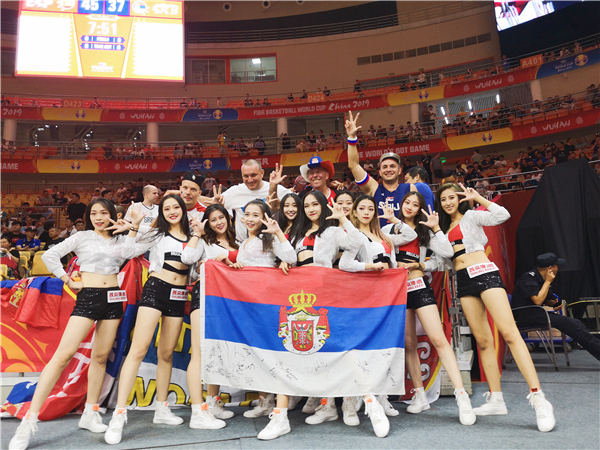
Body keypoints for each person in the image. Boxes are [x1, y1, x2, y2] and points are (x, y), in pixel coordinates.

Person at [9, 199, 131, 450]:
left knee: (100, 358)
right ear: (89, 217)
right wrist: (67, 279)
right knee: (63, 356)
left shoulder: (122, 240)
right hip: (88, 297)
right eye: (94, 213)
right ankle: (29, 422)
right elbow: (51, 254)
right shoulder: (83, 237)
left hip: (114, 299)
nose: (99, 218)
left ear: (113, 215)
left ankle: (90, 412)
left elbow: (147, 242)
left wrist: (132, 228)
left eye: (104, 213)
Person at [434, 183, 555, 432]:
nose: (448, 202)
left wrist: (478, 198)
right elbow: (441, 262)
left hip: (485, 273)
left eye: (452, 197)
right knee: (483, 341)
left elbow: (502, 215)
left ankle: (539, 398)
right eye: (443, 199)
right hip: (463, 281)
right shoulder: (442, 230)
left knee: (509, 333)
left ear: (459, 198)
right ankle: (496, 399)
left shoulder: (471, 216)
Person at [105, 195, 204, 444]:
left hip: (179, 295)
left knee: (167, 353)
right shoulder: (158, 233)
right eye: (166, 208)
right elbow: (128, 252)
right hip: (156, 289)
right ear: (162, 213)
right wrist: (135, 227)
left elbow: (194, 264)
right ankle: (119, 415)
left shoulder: (196, 236)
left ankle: (162, 408)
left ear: (183, 210)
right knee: (138, 350)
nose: (172, 211)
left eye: (176, 207)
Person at [381, 192, 476, 425]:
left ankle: (462, 397)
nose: (410, 207)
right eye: (407, 202)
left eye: (415, 204)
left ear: (421, 208)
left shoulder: (425, 232)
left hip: (418, 286)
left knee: (439, 339)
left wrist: (422, 263)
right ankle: (420, 395)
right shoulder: (389, 229)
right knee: (409, 344)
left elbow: (446, 256)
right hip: (396, 290)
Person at [337, 195, 418, 437]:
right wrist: (371, 267)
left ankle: (380, 396)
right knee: (358, 347)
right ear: (354, 211)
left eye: (370, 208)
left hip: (387, 296)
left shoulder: (384, 235)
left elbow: (410, 236)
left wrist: (394, 220)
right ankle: (351, 400)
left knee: (383, 346)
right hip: (362, 295)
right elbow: (344, 265)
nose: (366, 212)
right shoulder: (352, 235)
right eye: (361, 208)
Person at [227, 200, 296, 440]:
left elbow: (291, 256)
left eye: (256, 215)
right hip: (250, 305)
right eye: (247, 214)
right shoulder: (245, 241)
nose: (250, 218)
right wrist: (237, 266)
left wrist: (277, 233)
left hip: (267, 302)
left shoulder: (269, 238)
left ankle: (281, 416)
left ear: (265, 217)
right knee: (259, 355)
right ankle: (266, 402)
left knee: (276, 355)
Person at [183, 205, 240, 428]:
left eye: (221, 217)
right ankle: (198, 412)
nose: (218, 222)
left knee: (216, 350)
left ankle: (212, 402)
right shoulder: (205, 243)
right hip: (205, 294)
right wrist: (197, 234)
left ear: (228, 219)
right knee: (199, 352)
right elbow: (187, 258)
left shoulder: (238, 242)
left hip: (228, 299)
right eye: (213, 219)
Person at [345, 111, 432, 228]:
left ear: (400, 170)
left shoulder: (410, 188)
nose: (389, 169)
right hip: (379, 238)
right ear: (380, 172)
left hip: (404, 237)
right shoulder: (374, 188)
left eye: (392, 166)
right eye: (385, 167)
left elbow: (417, 219)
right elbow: (354, 165)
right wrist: (352, 138)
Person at [511, 253, 600, 361]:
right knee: (572, 324)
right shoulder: (529, 278)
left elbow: (543, 301)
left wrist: (551, 303)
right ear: (550, 268)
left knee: (576, 324)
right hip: (525, 316)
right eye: (556, 266)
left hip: (536, 314)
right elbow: (537, 301)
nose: (558, 268)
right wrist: (548, 282)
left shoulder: (542, 279)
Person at [215, 161, 291, 242]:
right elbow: (211, 202)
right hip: (242, 244)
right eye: (246, 176)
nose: (250, 180)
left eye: (253, 175)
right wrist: (215, 203)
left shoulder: (276, 188)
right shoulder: (235, 191)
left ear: (262, 173)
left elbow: (296, 203)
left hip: (271, 244)